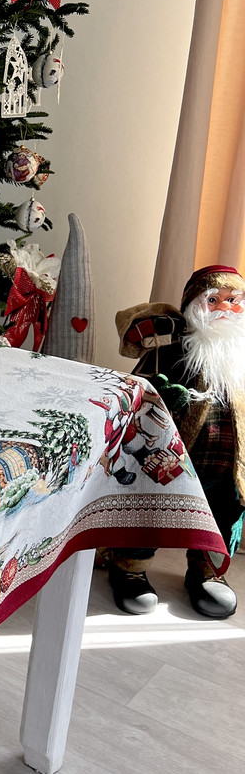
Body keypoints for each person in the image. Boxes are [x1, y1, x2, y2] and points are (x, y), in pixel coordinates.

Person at [106, 265, 244, 618]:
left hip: (228, 467)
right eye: (213, 300)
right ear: (194, 306)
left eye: (233, 301)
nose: (225, 309)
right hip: (169, 459)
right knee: (150, 508)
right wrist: (164, 396)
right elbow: (134, 394)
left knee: (223, 514)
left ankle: (207, 572)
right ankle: (129, 567)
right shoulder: (169, 350)